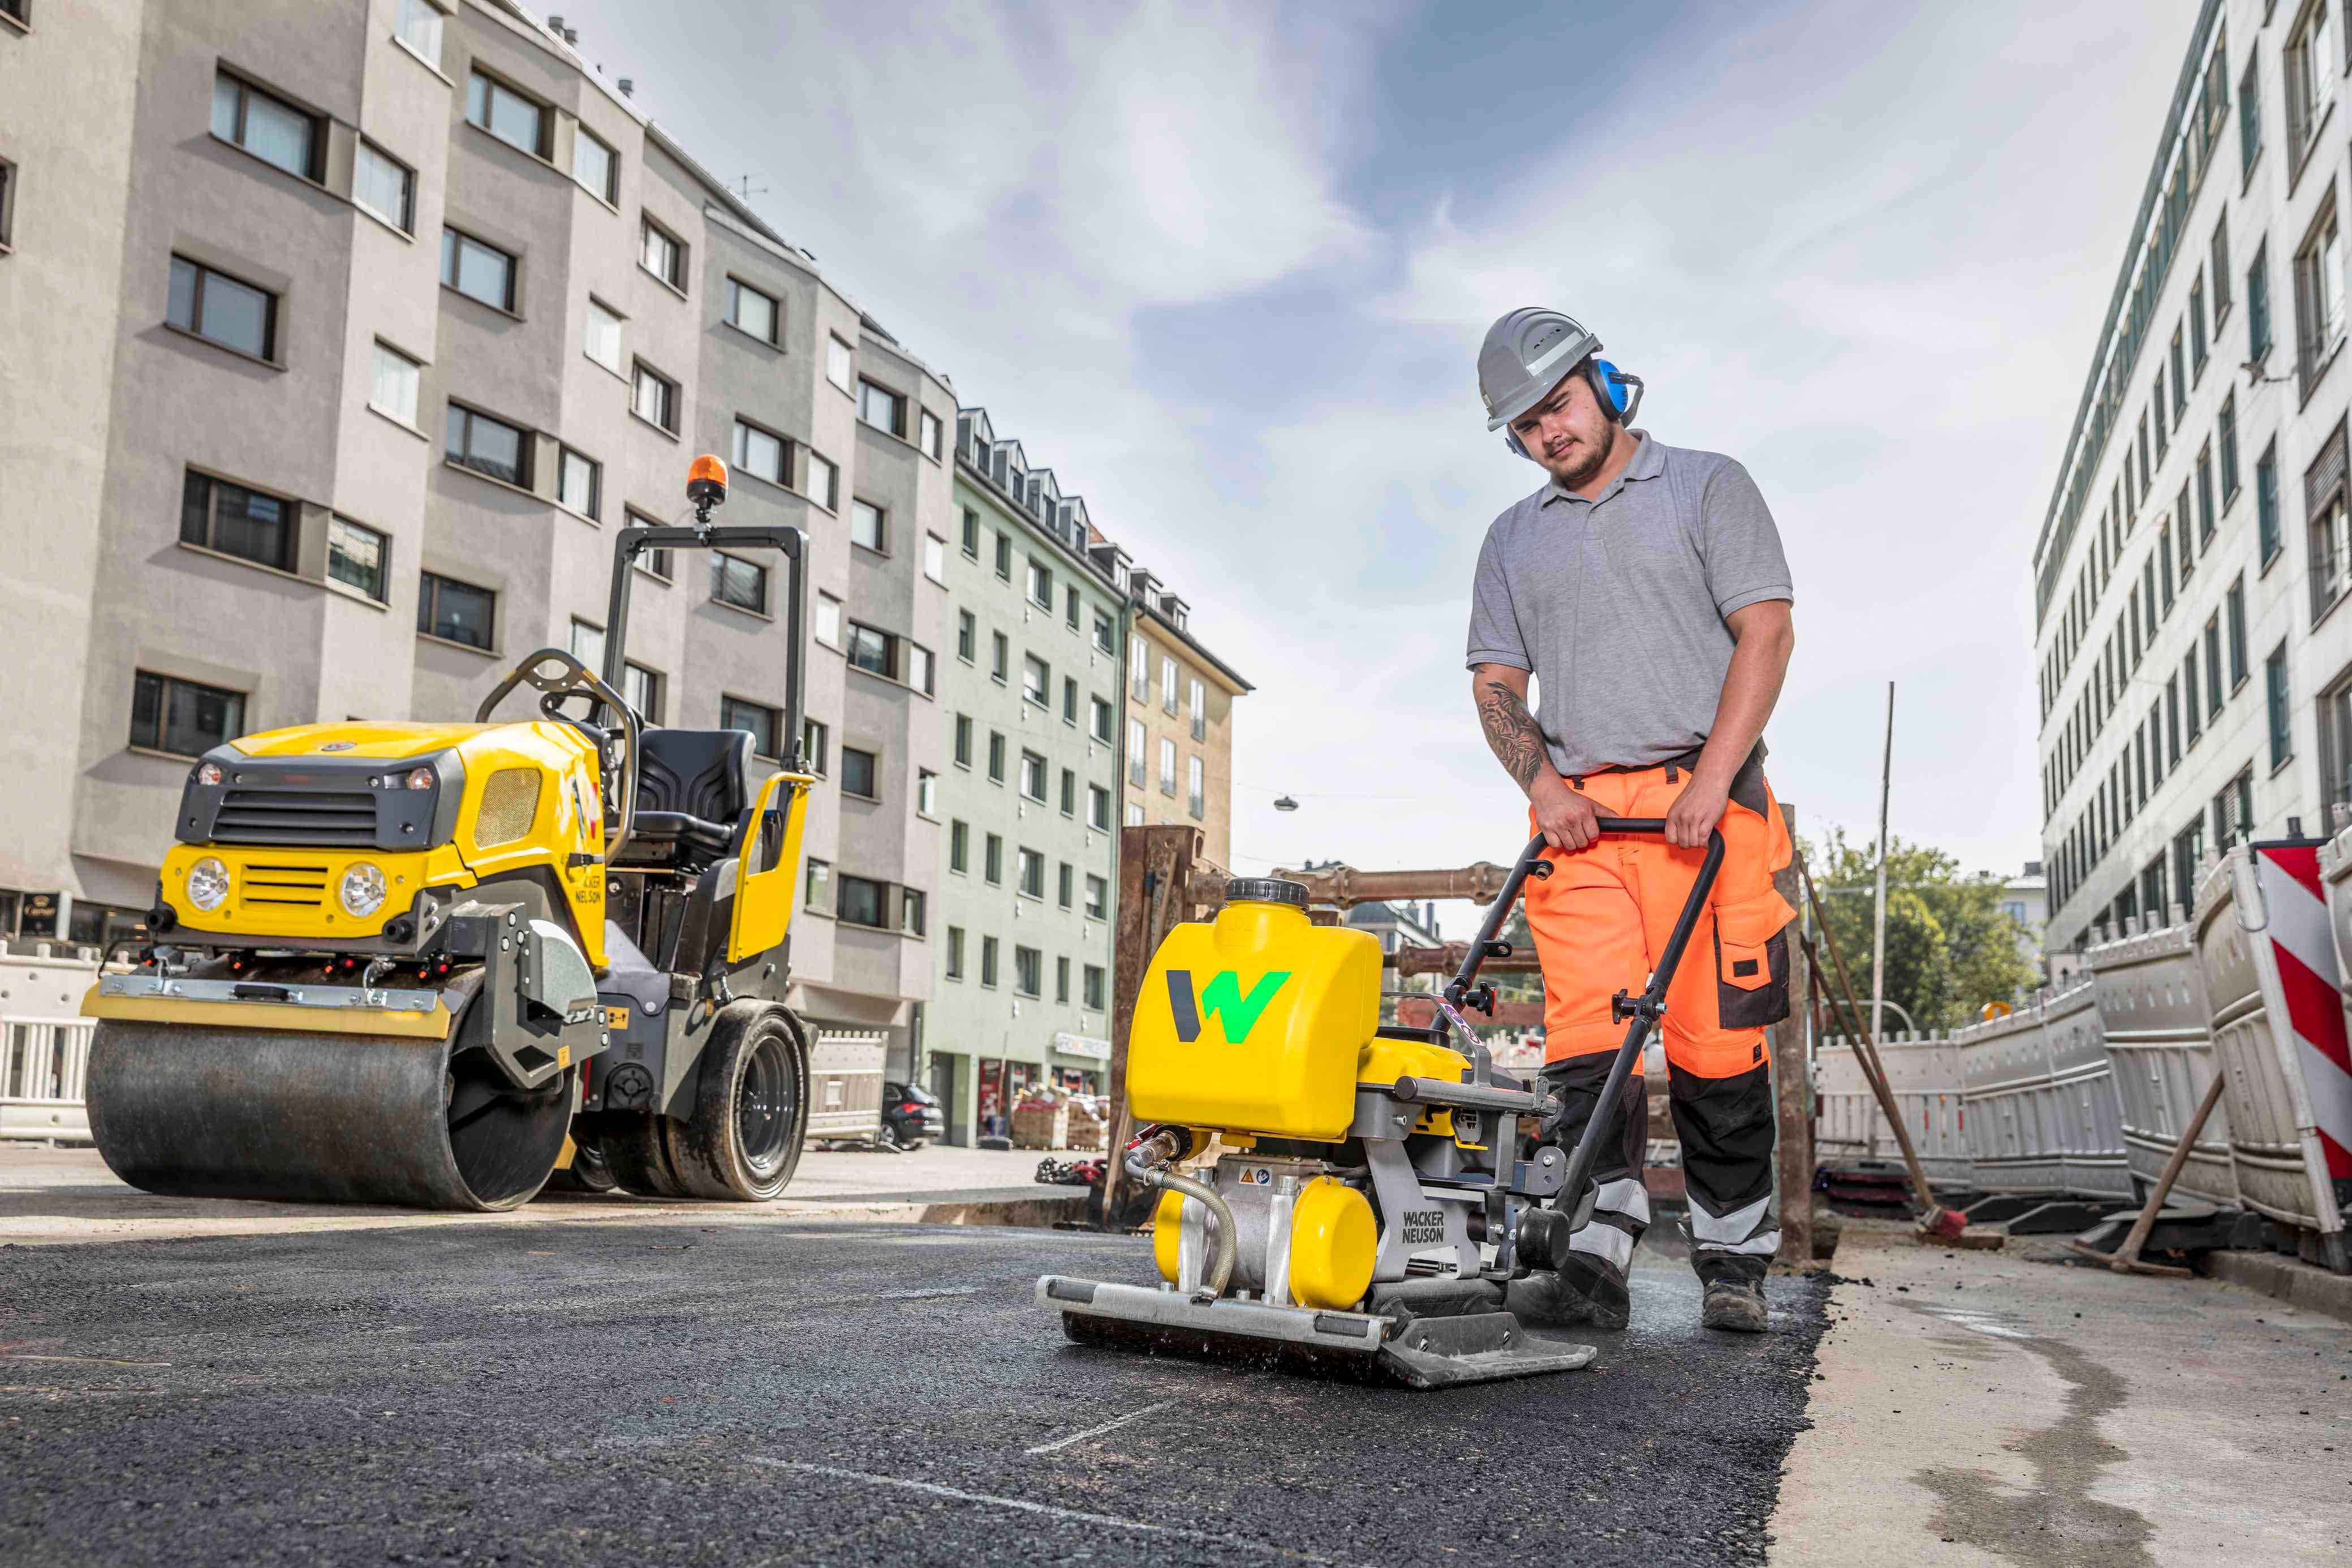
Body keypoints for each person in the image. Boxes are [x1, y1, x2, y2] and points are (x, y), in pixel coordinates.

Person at [1463, 307, 1797, 1333]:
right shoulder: (1513, 538)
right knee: (1585, 1051)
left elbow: (1767, 632)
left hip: (1707, 804)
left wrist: (1713, 780)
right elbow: (1494, 684)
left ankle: (1732, 1263)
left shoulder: (1705, 484)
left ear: (1605, 385)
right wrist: (1546, 791)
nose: (1547, 433)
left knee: (1717, 1047)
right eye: (1524, 426)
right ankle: (1593, 1257)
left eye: (1558, 406)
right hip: (1583, 823)